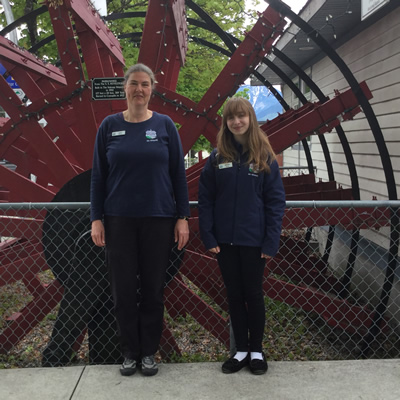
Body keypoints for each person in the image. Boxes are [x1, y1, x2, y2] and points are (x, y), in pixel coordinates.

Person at [90, 63, 190, 377]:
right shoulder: (109, 126)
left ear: (151, 89)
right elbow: (98, 179)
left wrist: (182, 217)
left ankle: (149, 352)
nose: (139, 90)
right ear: (125, 88)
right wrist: (96, 219)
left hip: (158, 219)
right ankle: (129, 352)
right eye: (134, 84)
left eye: (145, 84)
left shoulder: (164, 126)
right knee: (121, 291)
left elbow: (178, 175)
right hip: (119, 219)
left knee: (152, 289)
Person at [198, 97, 285, 375]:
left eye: (241, 116)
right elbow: (205, 199)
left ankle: (257, 350)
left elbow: (275, 202)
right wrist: (208, 237)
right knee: (234, 295)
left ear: (250, 119)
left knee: (254, 294)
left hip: (253, 241)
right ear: (226, 123)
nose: (237, 122)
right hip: (224, 241)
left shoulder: (264, 157)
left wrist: (271, 241)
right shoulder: (217, 158)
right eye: (231, 118)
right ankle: (241, 351)